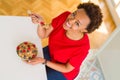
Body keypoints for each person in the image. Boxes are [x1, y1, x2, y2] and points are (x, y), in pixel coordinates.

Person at [26, 2, 103, 80]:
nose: (70, 21)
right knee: (27, 65)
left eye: (77, 23)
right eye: (73, 14)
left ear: (85, 30)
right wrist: (40, 24)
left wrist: (44, 61)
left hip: (63, 72)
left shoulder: (83, 48)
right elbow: (43, 35)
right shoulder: (64, 17)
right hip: (51, 53)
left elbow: (67, 68)